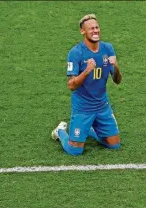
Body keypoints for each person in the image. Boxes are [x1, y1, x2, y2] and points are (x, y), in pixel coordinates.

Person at [51, 14, 122, 156]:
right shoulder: (75, 53)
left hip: (102, 107)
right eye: (91, 29)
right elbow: (71, 85)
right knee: (75, 151)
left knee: (114, 145)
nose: (95, 31)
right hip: (83, 108)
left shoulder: (108, 48)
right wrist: (86, 71)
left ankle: (88, 129)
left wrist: (117, 67)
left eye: (97, 28)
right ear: (83, 31)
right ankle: (60, 131)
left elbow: (117, 80)